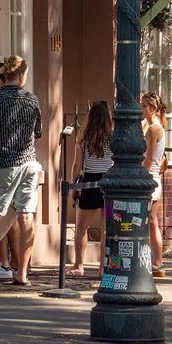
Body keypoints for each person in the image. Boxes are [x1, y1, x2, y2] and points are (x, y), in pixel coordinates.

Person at [0, 56, 42, 289]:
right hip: (28, 163)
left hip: (3, 163)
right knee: (27, 216)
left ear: (3, 75)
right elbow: (38, 132)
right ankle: (22, 272)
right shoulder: (32, 99)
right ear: (23, 75)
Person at [69, 101, 113, 274]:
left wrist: (74, 187)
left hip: (89, 186)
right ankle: (104, 267)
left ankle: (79, 265)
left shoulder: (84, 138)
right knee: (106, 229)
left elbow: (77, 164)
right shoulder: (114, 139)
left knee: (81, 228)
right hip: (109, 188)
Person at [141, 90, 170, 275]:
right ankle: (156, 261)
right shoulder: (150, 126)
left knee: (149, 221)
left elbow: (150, 158)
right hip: (154, 178)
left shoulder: (154, 129)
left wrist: (140, 177)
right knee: (151, 221)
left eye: (144, 106)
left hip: (149, 177)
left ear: (153, 109)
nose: (141, 109)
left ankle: (157, 261)